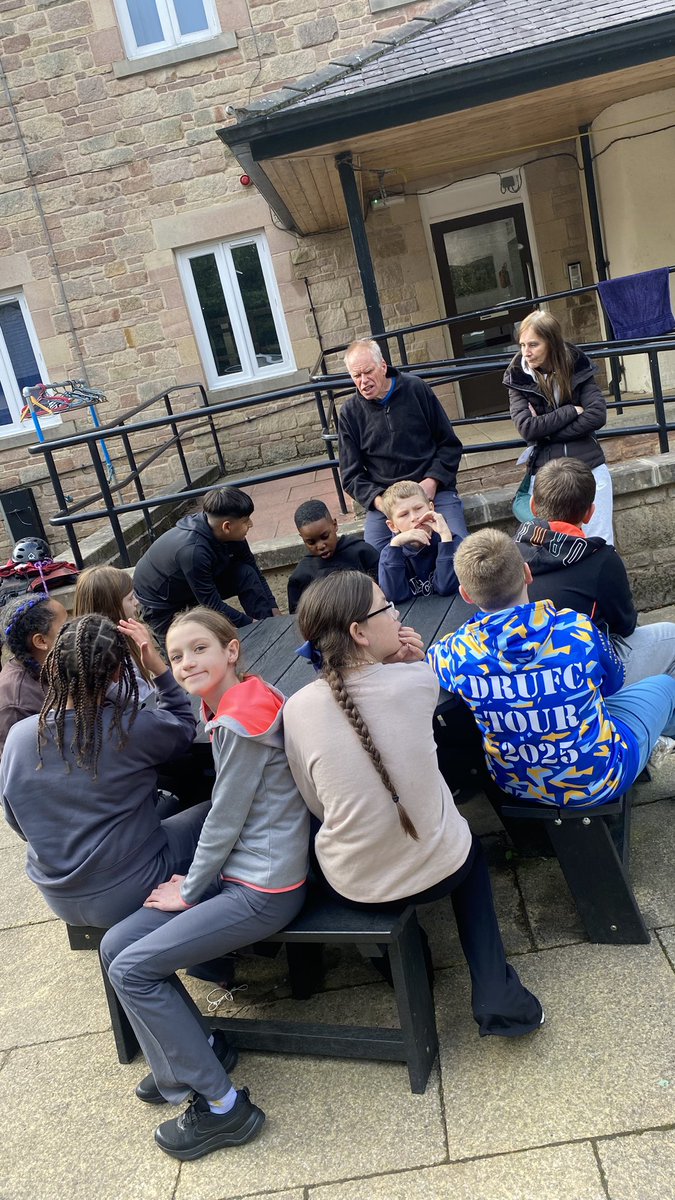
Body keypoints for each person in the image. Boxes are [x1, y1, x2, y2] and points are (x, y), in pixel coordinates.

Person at [283, 571, 543, 1042]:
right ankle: (496, 993)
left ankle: (405, 965)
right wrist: (409, 660)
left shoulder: (296, 709)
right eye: (386, 607)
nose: (396, 613)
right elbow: (396, 693)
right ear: (359, 632)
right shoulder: (419, 680)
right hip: (444, 871)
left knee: (333, 845)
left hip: (358, 886)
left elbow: (315, 803)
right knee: (469, 854)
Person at [100, 607, 309, 1162]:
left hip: (263, 889)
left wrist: (190, 889)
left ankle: (224, 1108)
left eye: (199, 649)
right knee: (115, 945)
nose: (187, 663)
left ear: (230, 650)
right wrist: (197, 880)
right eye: (175, 656)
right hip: (239, 872)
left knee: (131, 969)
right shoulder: (239, 697)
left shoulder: (238, 721)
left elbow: (224, 818)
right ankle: (198, 1052)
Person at [427, 530, 675, 808]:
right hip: (599, 780)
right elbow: (614, 683)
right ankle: (652, 742)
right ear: (527, 573)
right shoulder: (576, 628)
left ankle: (649, 741)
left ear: (465, 594)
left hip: (517, 784)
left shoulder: (455, 653)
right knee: (667, 687)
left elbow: (430, 661)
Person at [1, 614, 207, 927]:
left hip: (60, 899)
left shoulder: (18, 737)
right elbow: (183, 726)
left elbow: (16, 820)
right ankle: (219, 924)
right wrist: (160, 669)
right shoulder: (127, 729)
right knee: (213, 811)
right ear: (117, 672)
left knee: (168, 807)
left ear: (54, 665)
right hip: (132, 888)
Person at [514, 459, 675, 686]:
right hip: (584, 673)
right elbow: (625, 625)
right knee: (671, 636)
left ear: (532, 506)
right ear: (590, 513)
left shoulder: (506, 554)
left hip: (523, 677)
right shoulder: (600, 558)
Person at [338, 339, 467, 552]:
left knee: (460, 549)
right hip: (386, 499)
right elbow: (351, 476)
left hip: (432, 490)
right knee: (376, 556)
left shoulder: (416, 389)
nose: (363, 381)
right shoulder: (350, 413)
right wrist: (383, 504)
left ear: (383, 366)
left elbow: (449, 445)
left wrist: (432, 482)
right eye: (356, 376)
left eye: (368, 372)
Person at [505, 311, 614, 543]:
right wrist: (570, 411)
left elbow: (597, 415)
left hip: (590, 467)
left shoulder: (577, 365)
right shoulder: (518, 377)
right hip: (547, 477)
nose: (526, 352)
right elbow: (527, 428)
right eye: (522, 344)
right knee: (554, 546)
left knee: (600, 542)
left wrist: (546, 432)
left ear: (551, 343)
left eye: (533, 344)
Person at [133, 486, 280, 639]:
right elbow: (212, 605)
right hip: (161, 602)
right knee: (181, 645)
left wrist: (273, 609)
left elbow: (255, 572)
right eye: (245, 521)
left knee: (246, 573)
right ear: (227, 526)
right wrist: (252, 624)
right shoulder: (193, 551)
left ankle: (270, 632)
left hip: (195, 585)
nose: (251, 524)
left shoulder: (233, 536)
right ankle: (263, 632)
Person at [0, 593, 68, 757]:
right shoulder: (16, 703)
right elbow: (18, 763)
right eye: (66, 627)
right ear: (41, 641)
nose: (75, 629)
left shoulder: (50, 665)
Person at [74, 564, 154, 700]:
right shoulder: (108, 657)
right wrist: (153, 657)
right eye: (130, 598)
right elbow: (144, 700)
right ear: (111, 607)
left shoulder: (118, 639)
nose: (136, 602)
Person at [286, 499, 379, 613]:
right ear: (302, 538)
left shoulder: (362, 552)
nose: (320, 546)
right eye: (311, 542)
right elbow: (298, 616)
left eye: (325, 536)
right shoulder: (301, 575)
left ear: (334, 525)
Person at [378, 480, 461, 602]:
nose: (414, 517)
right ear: (392, 526)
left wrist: (446, 538)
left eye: (418, 508)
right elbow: (393, 597)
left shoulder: (453, 541)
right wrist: (395, 544)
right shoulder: (389, 554)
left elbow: (447, 587)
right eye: (404, 514)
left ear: (431, 508)